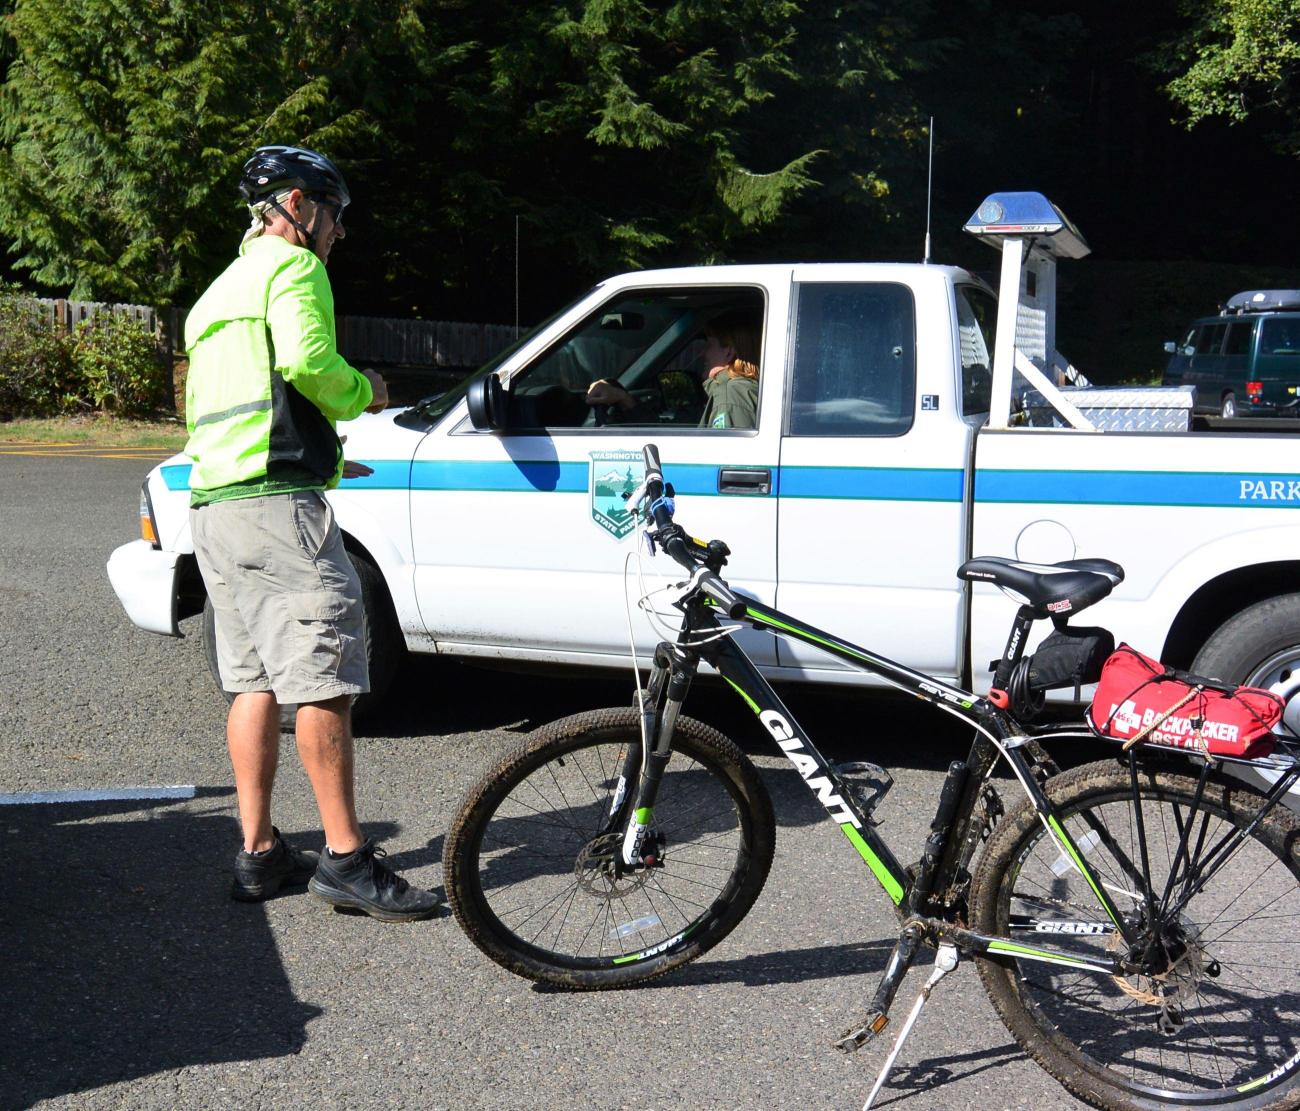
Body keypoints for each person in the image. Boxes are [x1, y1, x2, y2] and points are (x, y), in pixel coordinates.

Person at [183, 144, 440, 922]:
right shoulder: (295, 271)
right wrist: (364, 392)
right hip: (278, 512)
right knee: (324, 671)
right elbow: (306, 362)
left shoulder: (218, 292)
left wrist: (322, 461)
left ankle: (259, 853)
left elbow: (240, 412)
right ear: (297, 205)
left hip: (218, 506)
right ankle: (346, 859)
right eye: (334, 214)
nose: (338, 233)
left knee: (254, 679)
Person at [585, 309, 761, 428]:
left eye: (708, 345)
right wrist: (624, 398)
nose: (702, 354)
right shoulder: (729, 394)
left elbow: (729, 463)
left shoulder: (731, 395)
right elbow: (667, 431)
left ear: (728, 352)